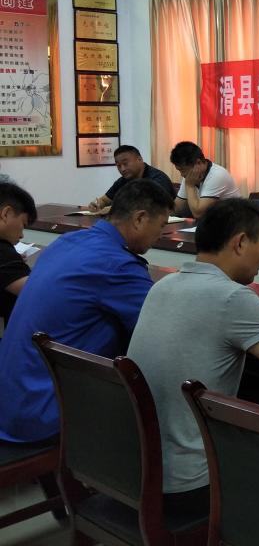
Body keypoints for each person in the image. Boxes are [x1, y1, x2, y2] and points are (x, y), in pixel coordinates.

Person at [128, 198, 259, 502]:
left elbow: (213, 335)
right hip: (192, 481)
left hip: (137, 467)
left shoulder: (162, 286)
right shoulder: (233, 298)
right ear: (240, 243)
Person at [0, 180, 173, 443]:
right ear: (139, 219)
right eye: (161, 226)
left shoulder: (67, 241)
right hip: (44, 411)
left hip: (11, 399)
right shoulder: (117, 265)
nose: (160, 235)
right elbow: (162, 328)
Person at [85, 144, 175, 214]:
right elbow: (105, 200)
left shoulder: (157, 178)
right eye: (118, 166)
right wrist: (97, 204)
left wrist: (114, 209)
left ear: (139, 159)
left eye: (125, 164)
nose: (122, 169)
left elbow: (150, 206)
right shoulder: (123, 180)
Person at [169, 141, 241, 218]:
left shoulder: (217, 175)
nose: (182, 175)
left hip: (234, 221)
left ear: (198, 163)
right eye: (179, 170)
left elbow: (199, 214)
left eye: (183, 170)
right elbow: (176, 209)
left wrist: (190, 186)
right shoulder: (190, 176)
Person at [0, 182, 37, 331]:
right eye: (23, 224)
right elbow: (38, 292)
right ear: (6, 214)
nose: (22, 235)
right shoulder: (3, 252)